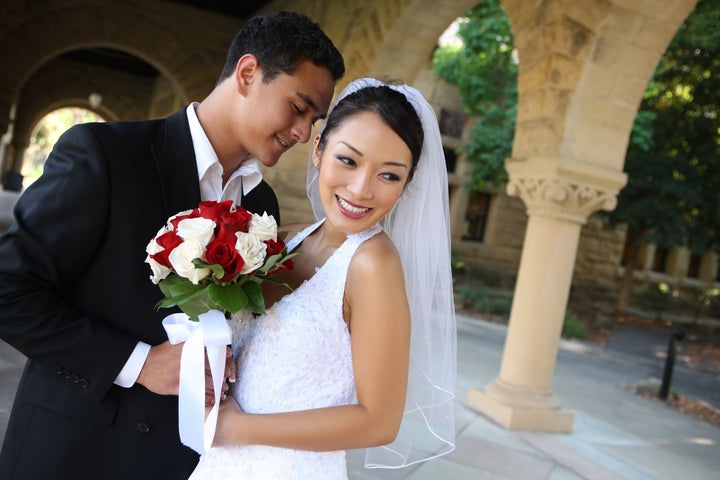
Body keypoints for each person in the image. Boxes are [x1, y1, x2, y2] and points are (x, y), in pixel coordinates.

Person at [0, 11, 344, 480]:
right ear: (247, 74)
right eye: (298, 107)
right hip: (73, 453)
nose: (304, 132)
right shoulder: (106, 154)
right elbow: (9, 290)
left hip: (182, 461)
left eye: (315, 119)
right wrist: (139, 364)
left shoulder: (262, 207)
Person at [189, 79, 457, 480]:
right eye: (348, 161)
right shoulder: (277, 238)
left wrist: (237, 428)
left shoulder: (373, 265)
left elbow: (379, 422)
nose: (361, 189)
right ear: (318, 150)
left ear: (407, 182)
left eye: (388, 175)